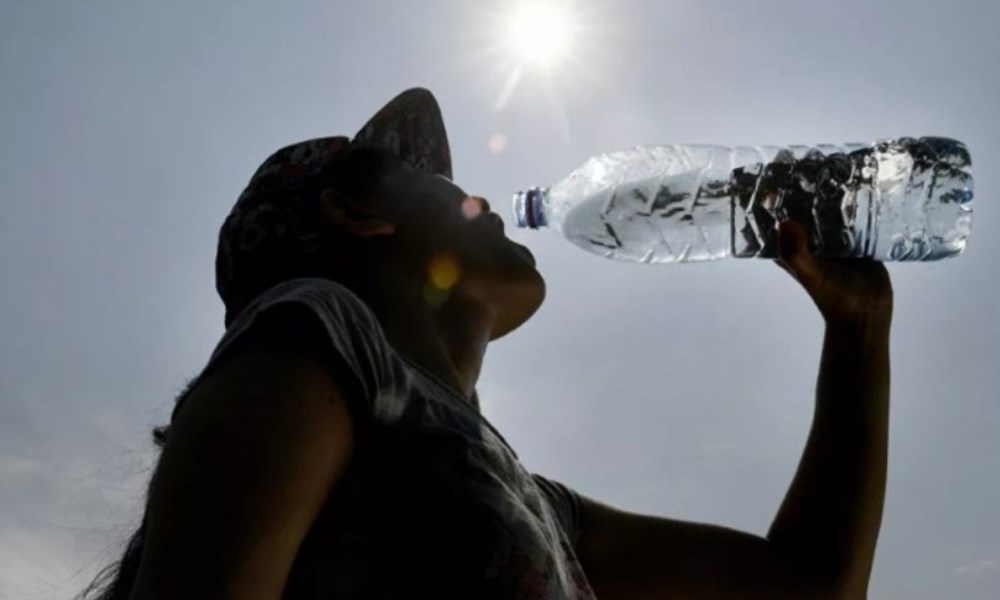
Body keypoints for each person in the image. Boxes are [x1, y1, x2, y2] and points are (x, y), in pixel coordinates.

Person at [80, 88, 892, 600]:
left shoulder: (530, 502)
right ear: (360, 215)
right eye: (435, 182)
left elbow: (812, 585)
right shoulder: (314, 333)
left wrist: (858, 329)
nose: (476, 198)